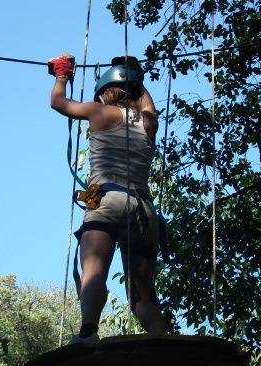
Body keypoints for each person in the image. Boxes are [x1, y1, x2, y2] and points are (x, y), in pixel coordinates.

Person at [49, 54, 167, 345]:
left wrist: (61, 75)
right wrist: (135, 76)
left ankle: (88, 332)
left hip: (106, 199)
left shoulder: (99, 112)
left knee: (93, 272)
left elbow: (58, 103)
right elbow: (149, 107)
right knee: (141, 293)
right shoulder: (148, 123)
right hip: (143, 210)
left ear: (105, 93)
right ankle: (162, 339)